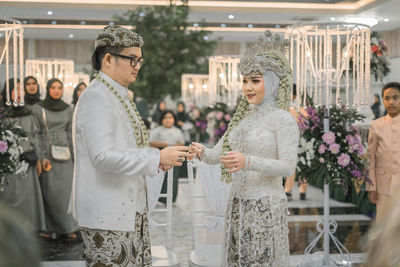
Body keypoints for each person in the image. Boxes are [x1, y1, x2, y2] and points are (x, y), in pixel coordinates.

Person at [70, 26, 189, 267]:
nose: (137, 66)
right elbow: (102, 156)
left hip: (127, 210)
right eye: (132, 59)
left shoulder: (117, 94)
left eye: (139, 60)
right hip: (107, 212)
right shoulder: (98, 96)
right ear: (108, 59)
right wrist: (155, 157)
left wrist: (158, 161)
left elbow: (128, 147)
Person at [190, 31, 299, 266]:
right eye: (245, 81)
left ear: (271, 82)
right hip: (238, 204)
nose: (248, 88)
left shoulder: (283, 119)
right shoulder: (244, 118)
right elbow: (219, 154)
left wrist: (248, 161)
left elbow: (288, 167)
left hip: (265, 206)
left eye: (255, 80)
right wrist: (201, 151)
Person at [31, 78, 78, 241]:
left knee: (66, 194)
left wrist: (75, 156)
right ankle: (49, 228)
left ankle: (68, 228)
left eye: (59, 88)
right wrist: (41, 156)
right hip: (47, 154)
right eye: (53, 87)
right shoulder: (38, 109)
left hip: (65, 156)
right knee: (49, 192)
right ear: (48, 89)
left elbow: (71, 133)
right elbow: (35, 133)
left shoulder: (68, 109)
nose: (56, 90)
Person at [0, 79, 46, 235]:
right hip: (6, 163)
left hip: (27, 163)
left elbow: (35, 138)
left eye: (21, 89)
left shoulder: (28, 113)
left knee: (27, 199)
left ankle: (27, 231)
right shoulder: (2, 113)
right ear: (8, 91)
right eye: (15, 89)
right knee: (8, 196)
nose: (19, 93)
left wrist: (39, 158)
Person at [367, 82, 400, 223]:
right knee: (384, 226)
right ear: (383, 100)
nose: (391, 102)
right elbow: (371, 158)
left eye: (396, 97)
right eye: (387, 98)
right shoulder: (376, 125)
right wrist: (371, 186)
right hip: (383, 185)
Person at [150, 110, 185, 204]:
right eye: (165, 118)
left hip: (174, 156)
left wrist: (173, 146)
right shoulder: (157, 130)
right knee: (161, 176)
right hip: (161, 155)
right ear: (161, 120)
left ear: (174, 119)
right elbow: (151, 142)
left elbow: (182, 142)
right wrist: (164, 144)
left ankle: (172, 199)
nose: (168, 120)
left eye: (170, 117)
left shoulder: (177, 131)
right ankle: (159, 199)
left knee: (173, 177)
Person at [284, 84, 308, 200]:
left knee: (298, 164)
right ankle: (297, 190)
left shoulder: (295, 106)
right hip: (296, 138)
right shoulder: (298, 106)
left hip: (297, 138)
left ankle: (291, 190)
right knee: (299, 164)